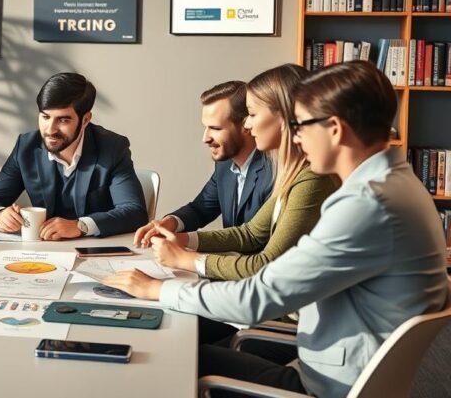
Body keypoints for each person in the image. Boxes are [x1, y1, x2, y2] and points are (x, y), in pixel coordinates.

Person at [103, 60, 449, 398]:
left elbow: (259, 297)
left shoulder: (366, 205)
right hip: (338, 368)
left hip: (325, 384)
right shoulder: (398, 185)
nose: (296, 137)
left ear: (334, 129)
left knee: (170, 354)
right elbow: (257, 243)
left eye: (301, 126)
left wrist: (157, 291)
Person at [142, 64, 335, 282]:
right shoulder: (294, 172)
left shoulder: (310, 176)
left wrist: (186, 259)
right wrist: (180, 238)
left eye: (252, 114)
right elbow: (250, 233)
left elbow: (266, 264)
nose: (248, 124)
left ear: (284, 117)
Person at [0, 72, 147, 239]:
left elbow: (134, 212)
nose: (50, 129)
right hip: (42, 251)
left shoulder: (112, 148)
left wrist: (81, 226)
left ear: (86, 120)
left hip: (94, 250)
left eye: (63, 120)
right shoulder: (26, 147)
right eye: (45, 117)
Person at [133, 81, 273, 248]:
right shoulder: (225, 165)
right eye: (205, 127)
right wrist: (168, 223)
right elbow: (201, 208)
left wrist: (186, 251)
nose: (205, 138)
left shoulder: (275, 171)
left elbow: (252, 239)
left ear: (246, 125)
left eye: (215, 128)